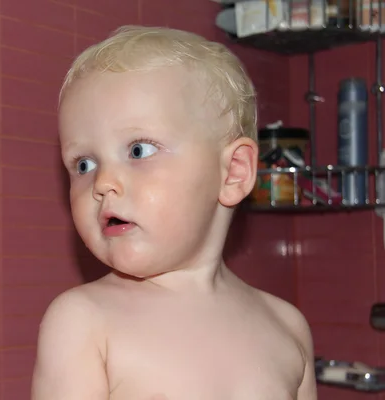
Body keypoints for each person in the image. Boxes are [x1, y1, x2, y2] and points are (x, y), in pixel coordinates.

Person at [31, 25, 317, 400]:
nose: (103, 182)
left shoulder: (287, 327)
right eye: (83, 164)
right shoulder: (85, 322)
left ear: (233, 172)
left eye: (138, 151)